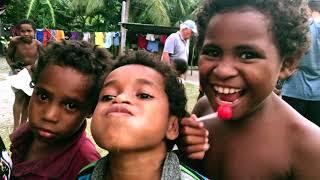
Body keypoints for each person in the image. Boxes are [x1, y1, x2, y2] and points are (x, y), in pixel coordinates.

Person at [180, 0, 320, 179]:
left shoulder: (308, 145)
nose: (223, 70)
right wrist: (182, 147)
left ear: (287, 64)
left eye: (248, 55)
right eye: (213, 52)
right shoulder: (203, 109)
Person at [77, 51, 207, 180]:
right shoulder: (83, 176)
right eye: (108, 96)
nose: (120, 98)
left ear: (172, 127)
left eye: (144, 95)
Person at [10, 40, 112, 179]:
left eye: (71, 106)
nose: (49, 115)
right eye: (43, 96)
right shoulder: (25, 136)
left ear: (91, 110)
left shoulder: (85, 166)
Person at [281, 0, 320, 126]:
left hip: (294, 90)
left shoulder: (300, 28)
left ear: (309, 8)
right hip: (318, 95)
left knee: (289, 134)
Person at [5, 19, 42, 130]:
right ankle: (16, 127)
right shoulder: (15, 42)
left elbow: (42, 58)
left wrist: (33, 67)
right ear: (18, 32)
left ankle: (23, 125)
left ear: (34, 32)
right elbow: (8, 56)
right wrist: (13, 66)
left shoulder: (38, 44)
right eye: (22, 31)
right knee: (19, 98)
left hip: (32, 74)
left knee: (28, 100)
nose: (26, 33)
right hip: (19, 72)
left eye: (29, 31)